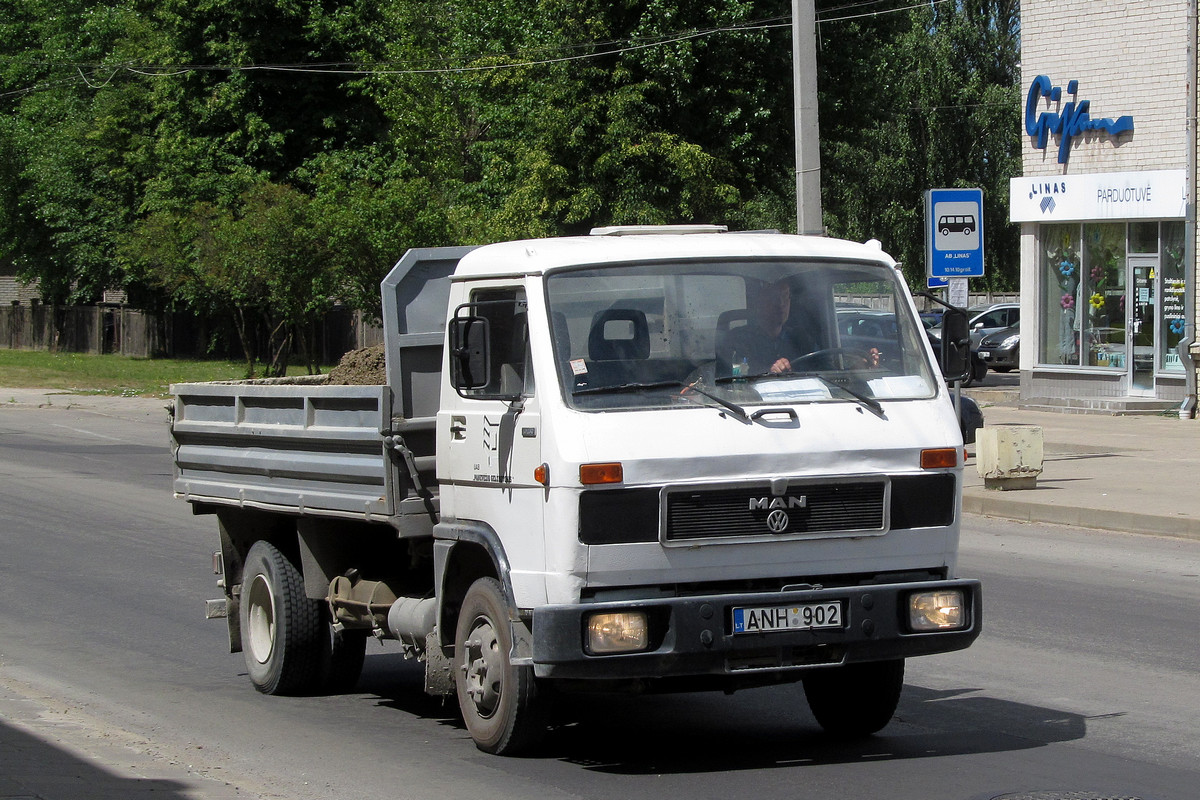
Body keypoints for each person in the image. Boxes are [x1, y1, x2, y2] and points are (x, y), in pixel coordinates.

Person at [720, 280, 813, 376]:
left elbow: (822, 369)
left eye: (785, 296)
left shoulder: (801, 339)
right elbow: (728, 379)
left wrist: (792, 371)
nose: (781, 304)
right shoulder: (738, 339)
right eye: (775, 297)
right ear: (760, 302)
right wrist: (769, 373)